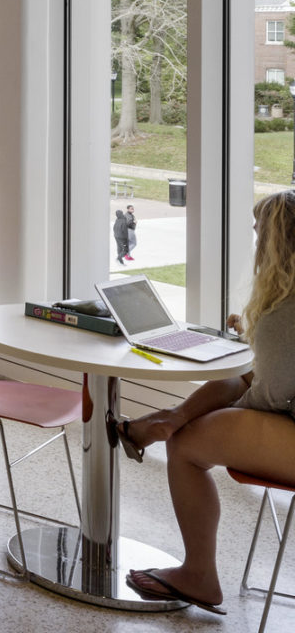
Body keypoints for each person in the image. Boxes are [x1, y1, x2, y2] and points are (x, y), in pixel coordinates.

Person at [114, 191, 295, 613]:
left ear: (272, 242)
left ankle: (199, 575)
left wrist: (201, 420)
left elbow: (266, 397)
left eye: (257, 231)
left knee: (188, 446)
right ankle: (165, 419)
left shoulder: (285, 312)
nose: (252, 238)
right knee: (235, 382)